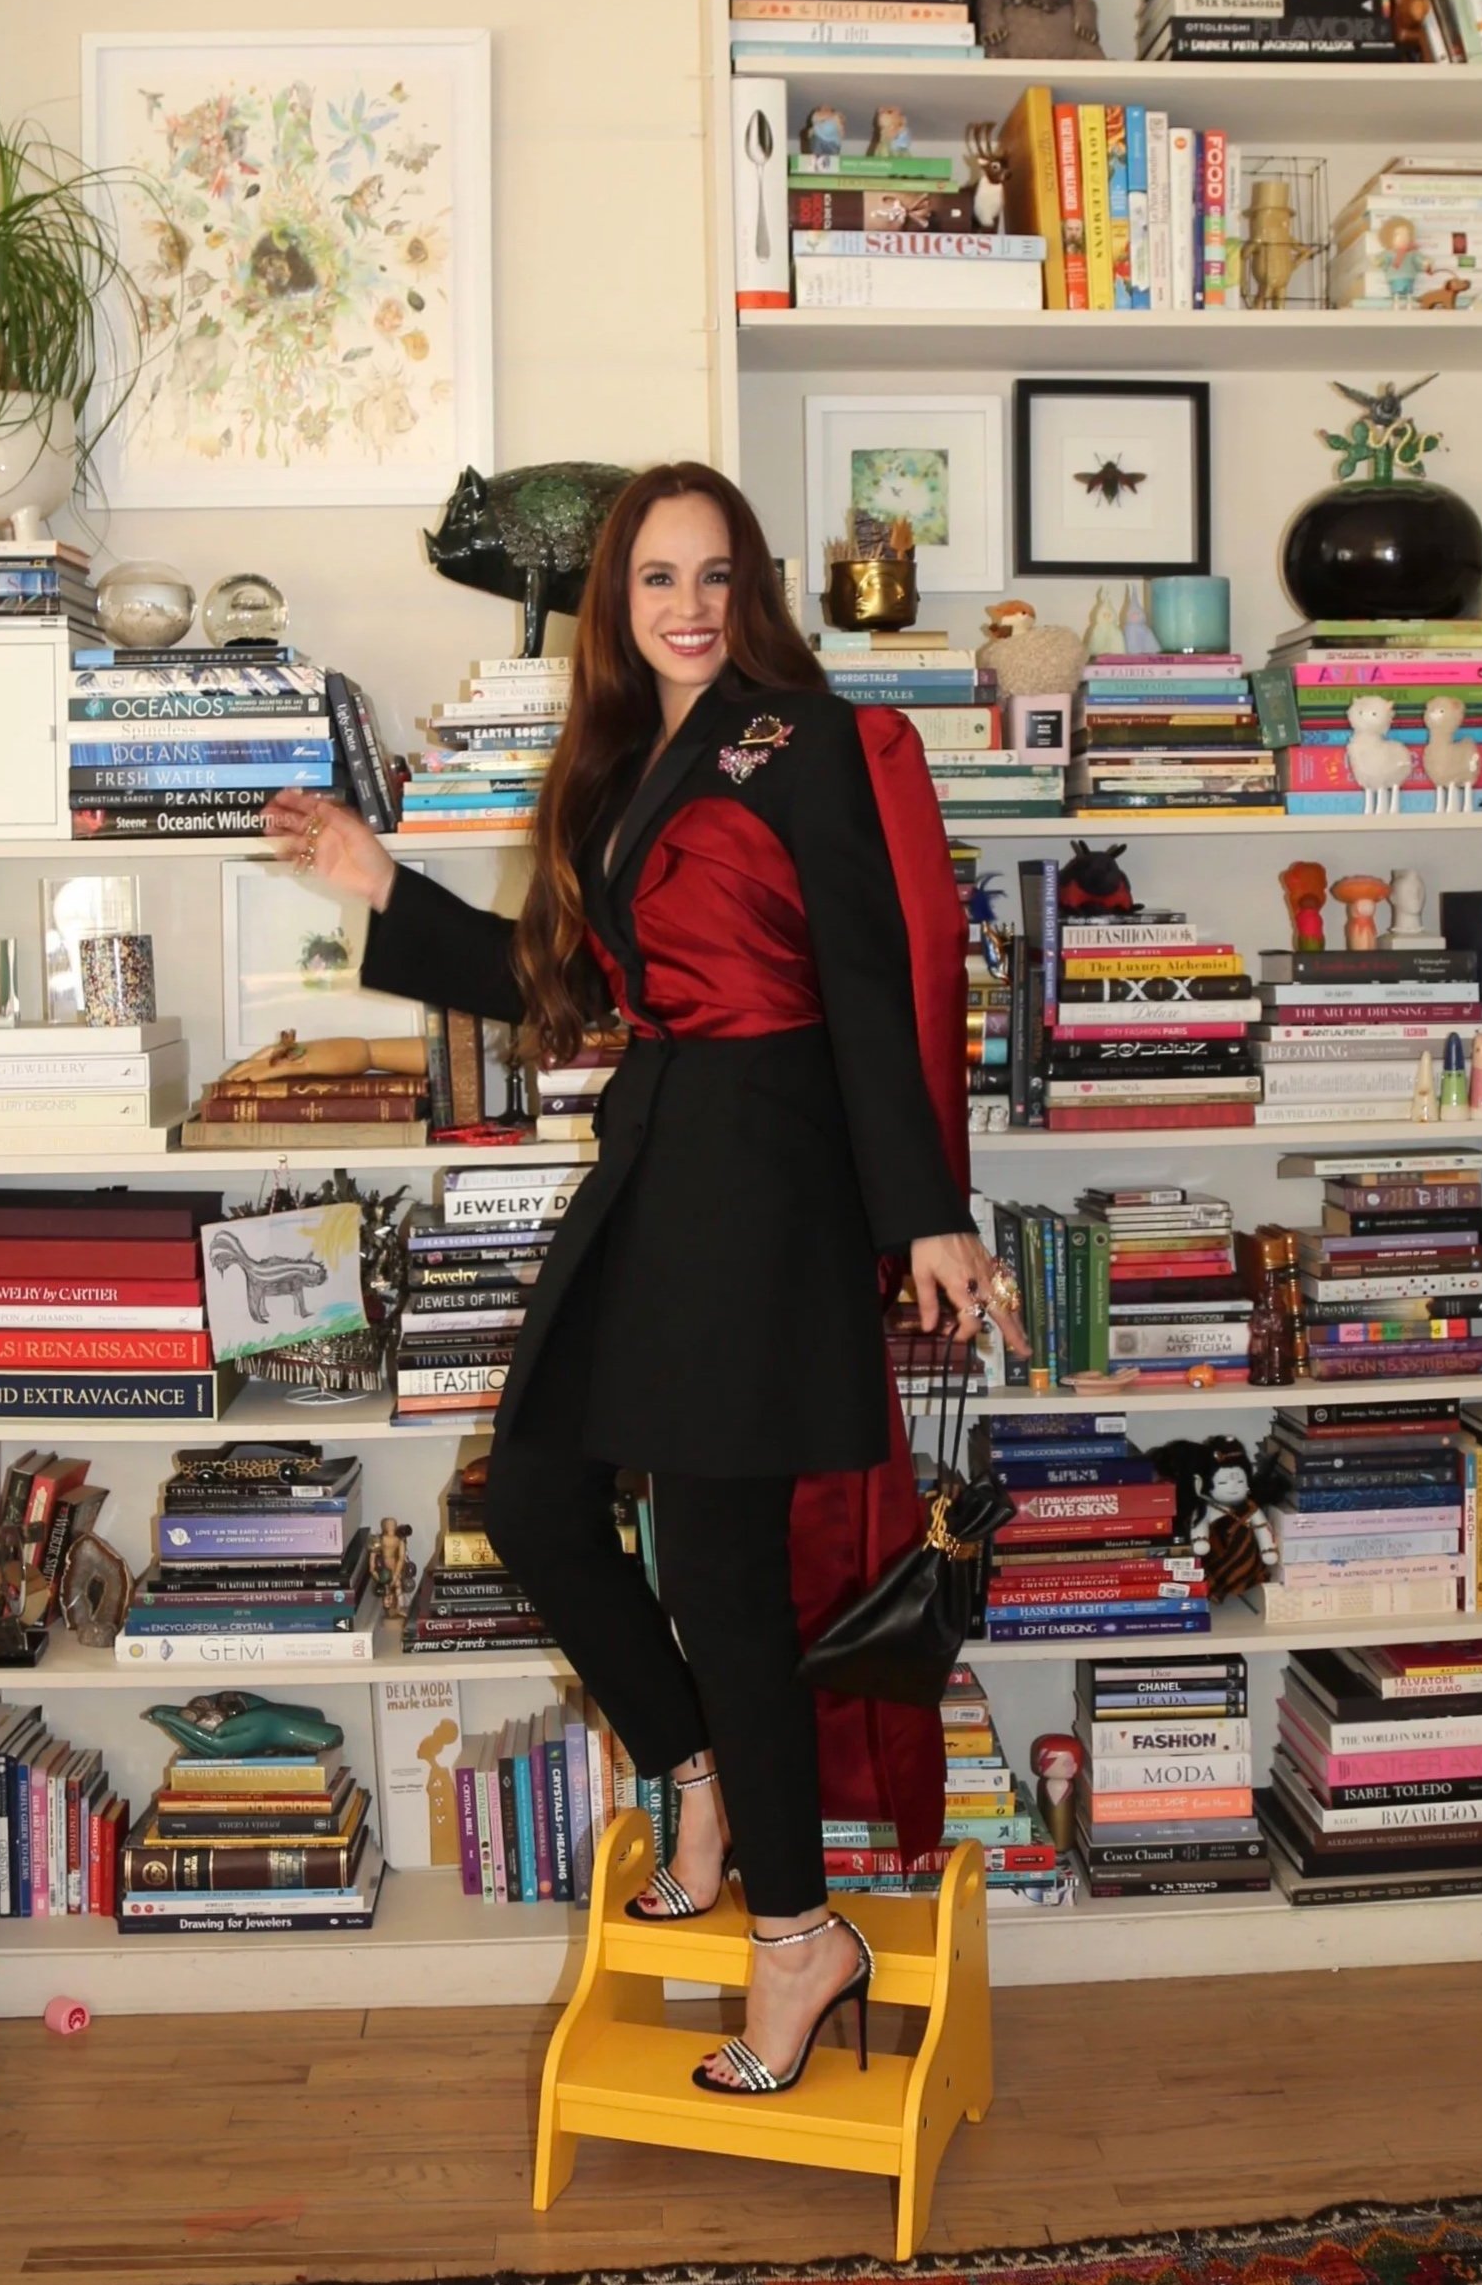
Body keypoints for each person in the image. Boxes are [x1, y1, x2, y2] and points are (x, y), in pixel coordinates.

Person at [266, 461, 1026, 2098]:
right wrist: (380, 889)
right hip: (655, 1158)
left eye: (714, 575)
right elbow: (563, 987)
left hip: (769, 1180)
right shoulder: (619, 764)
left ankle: (797, 1932)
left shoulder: (809, 739)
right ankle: (691, 1766)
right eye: (655, 581)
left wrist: (927, 1215)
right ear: (616, 607)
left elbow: (867, 973)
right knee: (536, 1499)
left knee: (730, 1581)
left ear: (751, 588)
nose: (687, 606)